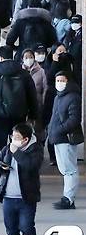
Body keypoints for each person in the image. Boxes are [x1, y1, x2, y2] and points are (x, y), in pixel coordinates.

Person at [0, 123, 43, 235]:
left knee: (27, 228)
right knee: (11, 230)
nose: (13, 140)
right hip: (8, 197)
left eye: (17, 138)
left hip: (26, 198)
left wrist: (16, 152)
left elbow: (31, 165)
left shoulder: (35, 149)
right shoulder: (8, 147)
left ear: (25, 139)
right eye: (12, 137)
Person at [0, 46, 38, 157]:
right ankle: (17, 166)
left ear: (0, 58)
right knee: (18, 142)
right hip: (20, 114)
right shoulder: (24, 73)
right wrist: (33, 115)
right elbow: (32, 96)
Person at [47, 71, 83, 210]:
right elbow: (54, 116)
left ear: (68, 81)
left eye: (62, 80)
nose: (59, 83)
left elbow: (74, 120)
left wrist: (58, 130)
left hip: (66, 138)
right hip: (58, 137)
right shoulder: (58, 97)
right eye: (58, 80)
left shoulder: (73, 97)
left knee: (70, 170)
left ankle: (69, 199)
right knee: (64, 169)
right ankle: (67, 197)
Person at [21, 49, 48, 143]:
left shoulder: (41, 71)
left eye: (31, 57)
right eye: (26, 57)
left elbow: (45, 88)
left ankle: (40, 146)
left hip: (37, 105)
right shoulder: (19, 71)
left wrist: (43, 102)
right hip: (23, 105)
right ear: (22, 59)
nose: (29, 59)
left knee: (38, 129)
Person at [64, 14, 82, 85]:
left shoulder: (81, 34)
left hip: (78, 61)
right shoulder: (70, 34)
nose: (74, 24)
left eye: (76, 22)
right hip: (71, 61)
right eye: (72, 22)